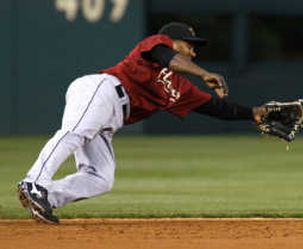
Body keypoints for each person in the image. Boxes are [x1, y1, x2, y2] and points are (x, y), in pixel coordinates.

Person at [17, 22, 267, 224]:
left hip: (110, 120)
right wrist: (203, 73)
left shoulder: (180, 87)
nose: (193, 51)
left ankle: (46, 197)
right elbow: (166, 56)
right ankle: (34, 182)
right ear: (173, 41)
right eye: (189, 45)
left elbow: (216, 108)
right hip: (102, 89)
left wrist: (254, 113)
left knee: (100, 178)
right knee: (76, 132)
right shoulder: (157, 45)